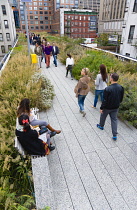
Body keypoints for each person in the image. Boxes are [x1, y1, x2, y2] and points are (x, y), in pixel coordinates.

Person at [97, 73, 124, 140]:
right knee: (114, 120)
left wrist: (101, 108)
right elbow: (121, 98)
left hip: (107, 107)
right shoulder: (121, 88)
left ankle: (101, 126)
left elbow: (105, 100)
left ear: (111, 79)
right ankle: (114, 135)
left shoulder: (108, 89)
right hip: (115, 107)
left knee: (103, 116)